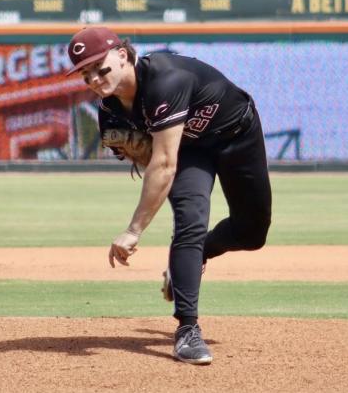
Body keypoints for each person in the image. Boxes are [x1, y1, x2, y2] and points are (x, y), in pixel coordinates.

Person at [67, 26, 272, 365]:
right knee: (190, 221)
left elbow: (162, 164)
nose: (93, 77)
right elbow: (156, 160)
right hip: (190, 150)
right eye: (84, 73)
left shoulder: (166, 80)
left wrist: (133, 230)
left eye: (98, 66)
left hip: (237, 134)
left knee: (252, 232)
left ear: (122, 55)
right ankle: (187, 330)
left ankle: (192, 259)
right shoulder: (110, 113)